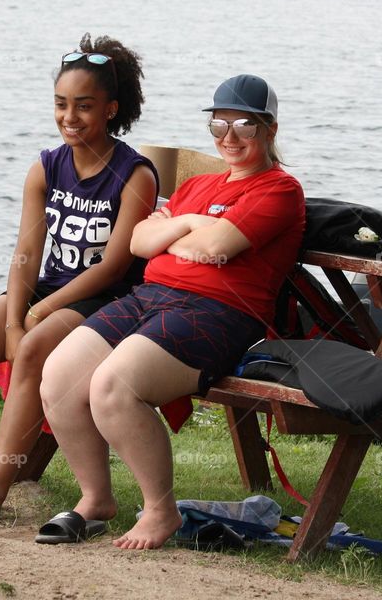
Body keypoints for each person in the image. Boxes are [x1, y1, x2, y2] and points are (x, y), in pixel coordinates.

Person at [39, 74, 305, 548]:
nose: (229, 137)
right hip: (150, 298)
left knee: (112, 386)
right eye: (218, 126)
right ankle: (95, 499)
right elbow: (140, 242)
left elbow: (219, 245)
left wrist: (182, 235)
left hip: (219, 312)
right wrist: (188, 222)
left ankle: (161, 511)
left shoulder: (279, 190)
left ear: (269, 129)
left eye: (243, 125)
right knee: (59, 376)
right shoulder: (198, 186)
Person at [0, 34, 158, 522]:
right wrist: (15, 317)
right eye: (61, 105)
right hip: (51, 288)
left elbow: (114, 266)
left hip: (108, 300)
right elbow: (27, 252)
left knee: (34, 348)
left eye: (84, 106)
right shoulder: (46, 166)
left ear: (112, 109)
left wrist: (40, 312)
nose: (70, 117)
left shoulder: (134, 173)